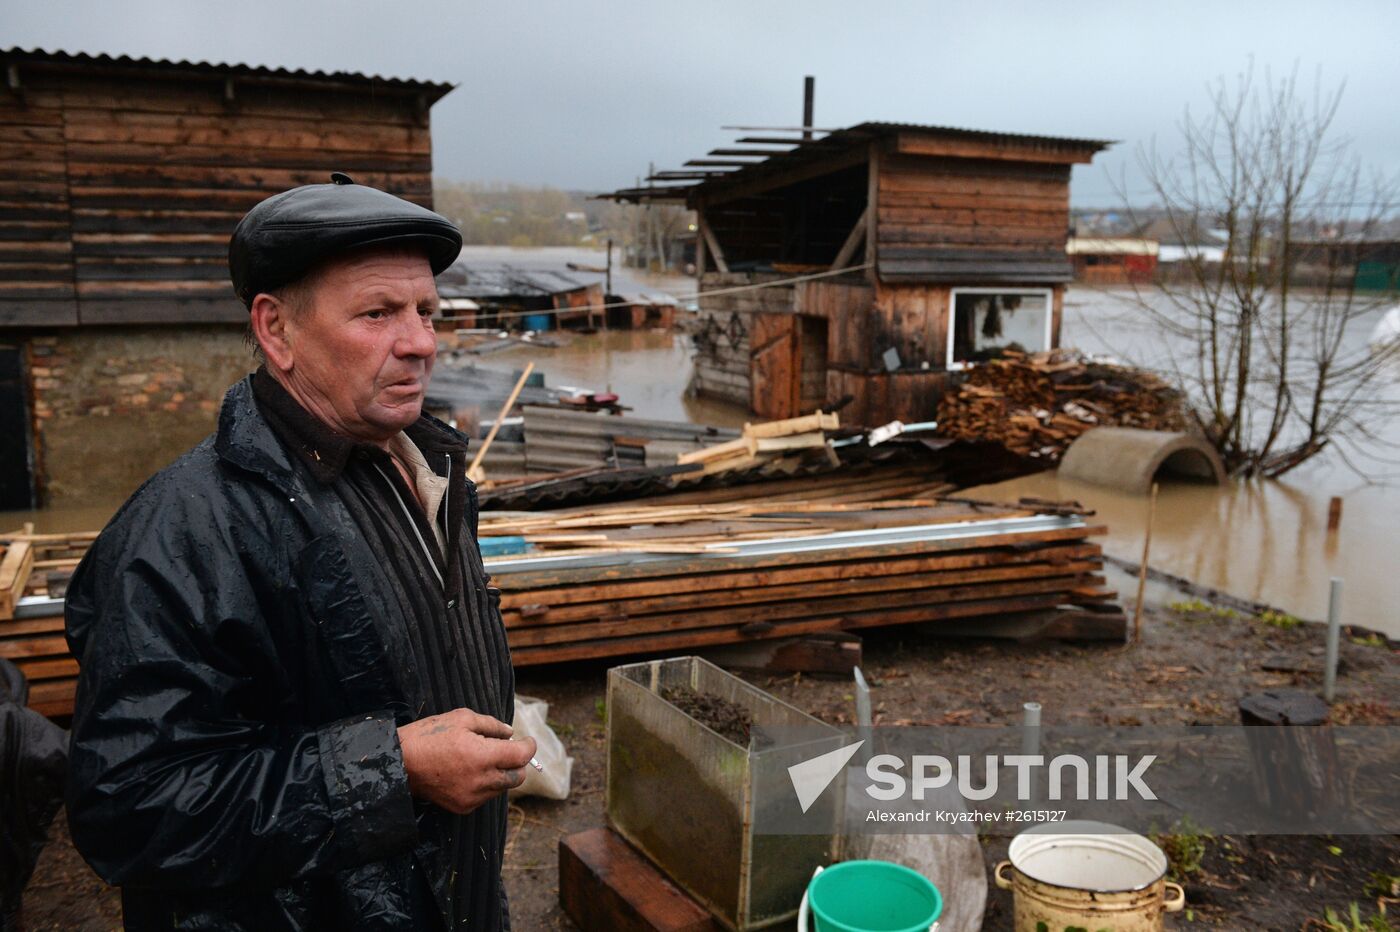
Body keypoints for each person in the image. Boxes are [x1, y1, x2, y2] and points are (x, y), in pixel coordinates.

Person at [63, 173, 534, 931]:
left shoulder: (430, 469)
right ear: (277, 331)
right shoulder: (185, 530)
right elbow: (129, 806)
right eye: (378, 313)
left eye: (425, 312)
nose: (418, 343)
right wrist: (396, 769)